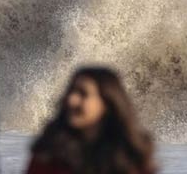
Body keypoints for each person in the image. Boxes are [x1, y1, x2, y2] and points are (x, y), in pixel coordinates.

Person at [26, 67, 156, 174]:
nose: (72, 100)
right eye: (71, 91)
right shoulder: (50, 153)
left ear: (107, 102)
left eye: (83, 94)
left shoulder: (130, 154)